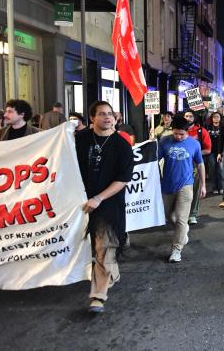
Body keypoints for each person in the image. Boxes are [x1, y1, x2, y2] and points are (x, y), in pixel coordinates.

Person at [75, 101, 134, 313]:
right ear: (92, 118)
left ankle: (98, 296)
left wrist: (99, 198)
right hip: (79, 203)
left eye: (110, 114)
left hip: (109, 204)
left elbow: (124, 179)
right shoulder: (78, 140)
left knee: (103, 247)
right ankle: (112, 272)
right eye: (101, 114)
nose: (107, 117)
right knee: (93, 247)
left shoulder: (121, 145)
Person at [158, 116, 206, 263]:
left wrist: (203, 185)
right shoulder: (164, 141)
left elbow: (200, 164)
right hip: (166, 185)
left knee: (181, 218)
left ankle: (176, 249)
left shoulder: (194, 144)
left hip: (186, 185)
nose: (178, 137)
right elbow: (153, 161)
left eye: (182, 134)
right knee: (168, 216)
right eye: (176, 133)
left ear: (188, 131)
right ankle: (183, 231)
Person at [184, 111, 212, 225]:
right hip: (181, 164)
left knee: (195, 189)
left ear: (194, 118)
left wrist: (193, 154)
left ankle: (192, 214)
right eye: (186, 116)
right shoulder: (179, 130)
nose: (188, 118)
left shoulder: (201, 131)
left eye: (190, 116)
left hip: (196, 164)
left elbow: (208, 149)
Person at [207, 111, 223, 194]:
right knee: (212, 169)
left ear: (220, 118)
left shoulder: (223, 127)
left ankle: (220, 187)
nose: (216, 118)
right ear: (212, 118)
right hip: (211, 151)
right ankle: (214, 187)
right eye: (214, 117)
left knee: (220, 169)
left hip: (220, 151)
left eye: (217, 117)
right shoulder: (208, 127)